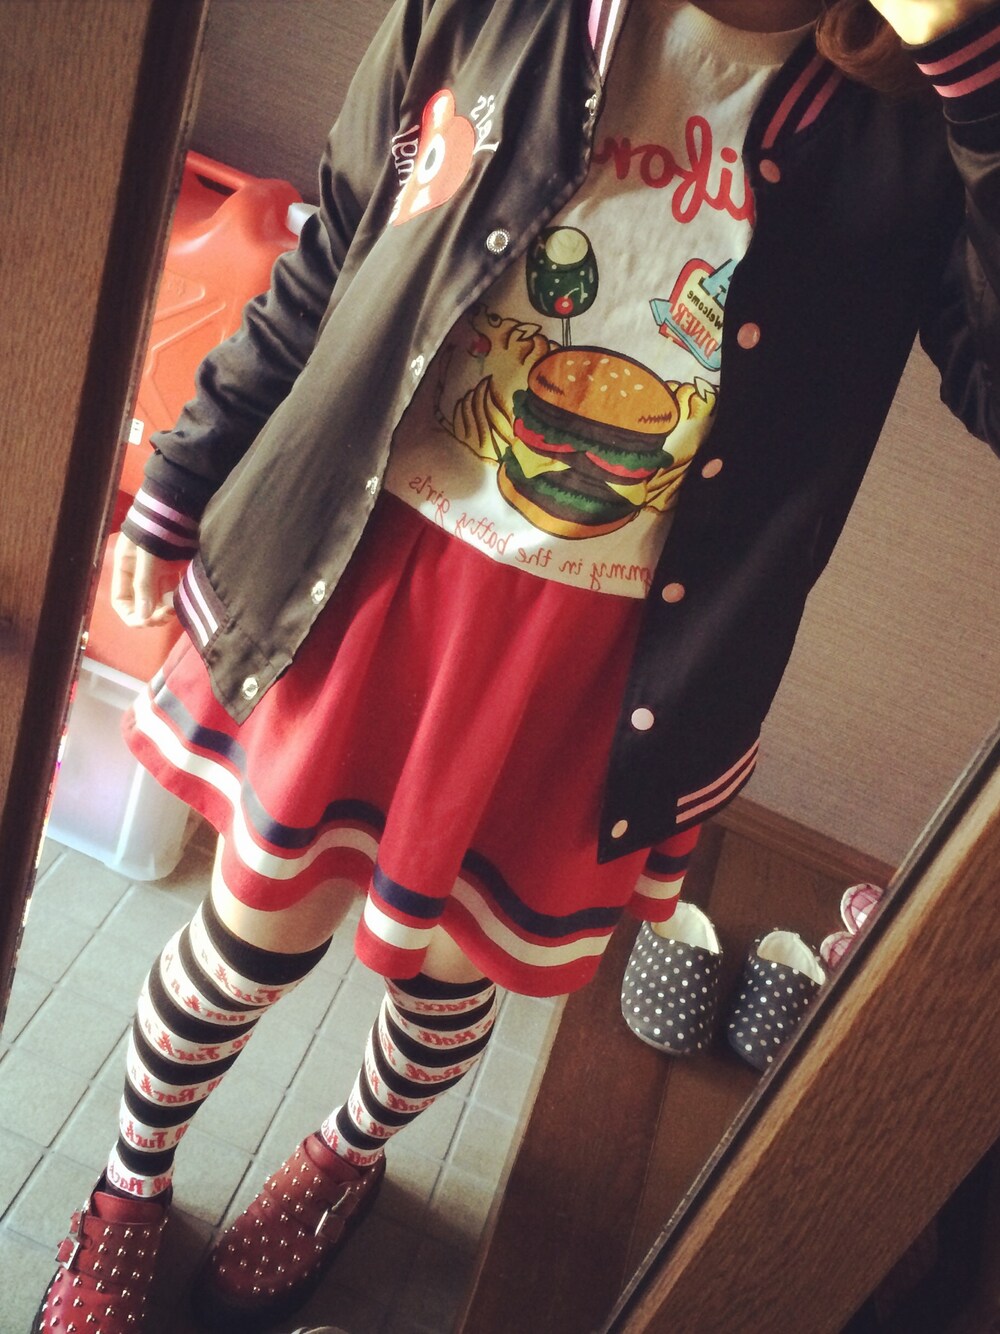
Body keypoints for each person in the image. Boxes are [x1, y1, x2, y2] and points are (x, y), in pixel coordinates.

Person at [34, 0, 1000, 1330]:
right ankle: (127, 1188)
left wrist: (976, 82)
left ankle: (347, 1155)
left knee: (454, 969)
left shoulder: (931, 114)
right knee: (249, 928)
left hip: (607, 664)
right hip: (366, 575)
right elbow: (342, 238)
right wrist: (181, 475)